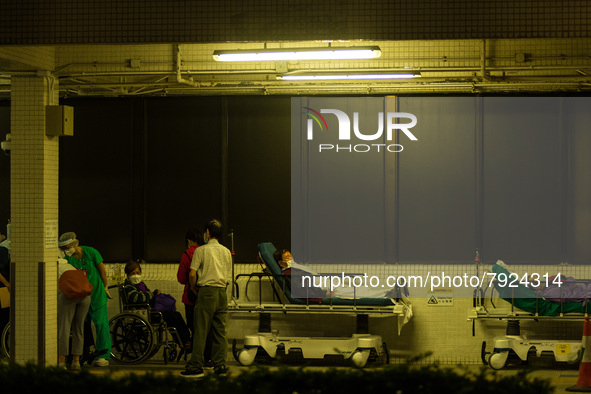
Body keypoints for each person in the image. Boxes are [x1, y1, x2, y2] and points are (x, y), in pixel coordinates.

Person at [181, 219, 232, 378]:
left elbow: (192, 274)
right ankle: (220, 366)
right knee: (220, 331)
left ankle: (196, 366)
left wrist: (195, 288)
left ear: (208, 233)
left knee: (200, 330)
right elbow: (228, 277)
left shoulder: (200, 251)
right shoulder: (226, 251)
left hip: (206, 292)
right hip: (222, 293)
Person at [58, 232, 111, 367]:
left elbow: (102, 271)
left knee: (101, 325)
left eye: (67, 247)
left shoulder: (91, 252)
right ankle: (83, 354)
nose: (66, 250)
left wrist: (105, 287)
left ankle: (104, 355)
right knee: (82, 327)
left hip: (97, 294)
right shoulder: (69, 259)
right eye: (63, 248)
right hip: (79, 294)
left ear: (75, 244)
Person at [123, 261, 191, 349]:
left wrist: (154, 293)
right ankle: (183, 342)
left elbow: (148, 293)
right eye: (133, 273)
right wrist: (150, 294)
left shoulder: (141, 284)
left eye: (137, 273)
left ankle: (187, 339)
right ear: (128, 275)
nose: (136, 275)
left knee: (177, 314)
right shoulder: (128, 286)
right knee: (171, 317)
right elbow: (136, 298)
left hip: (149, 311)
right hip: (143, 314)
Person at [57, 259, 91, 370]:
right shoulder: (71, 266)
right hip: (85, 296)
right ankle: (75, 362)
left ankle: (62, 362)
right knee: (79, 329)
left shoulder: (53, 268)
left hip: (69, 297)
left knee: (64, 328)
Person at [177, 229, 203, 336]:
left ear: (188, 241)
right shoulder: (205, 252)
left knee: (193, 326)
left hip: (190, 296)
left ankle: (194, 349)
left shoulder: (187, 254)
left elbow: (182, 278)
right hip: (205, 294)